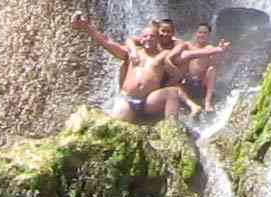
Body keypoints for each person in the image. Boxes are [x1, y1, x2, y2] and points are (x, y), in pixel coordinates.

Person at [68, 12, 201, 123]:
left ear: (157, 39)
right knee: (116, 126)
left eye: (152, 36)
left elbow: (177, 73)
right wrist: (86, 27)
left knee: (172, 92)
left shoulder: (163, 56)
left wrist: (166, 83)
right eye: (145, 36)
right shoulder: (130, 54)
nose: (148, 39)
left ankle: (173, 129)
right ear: (140, 39)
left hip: (149, 101)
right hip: (128, 100)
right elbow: (106, 42)